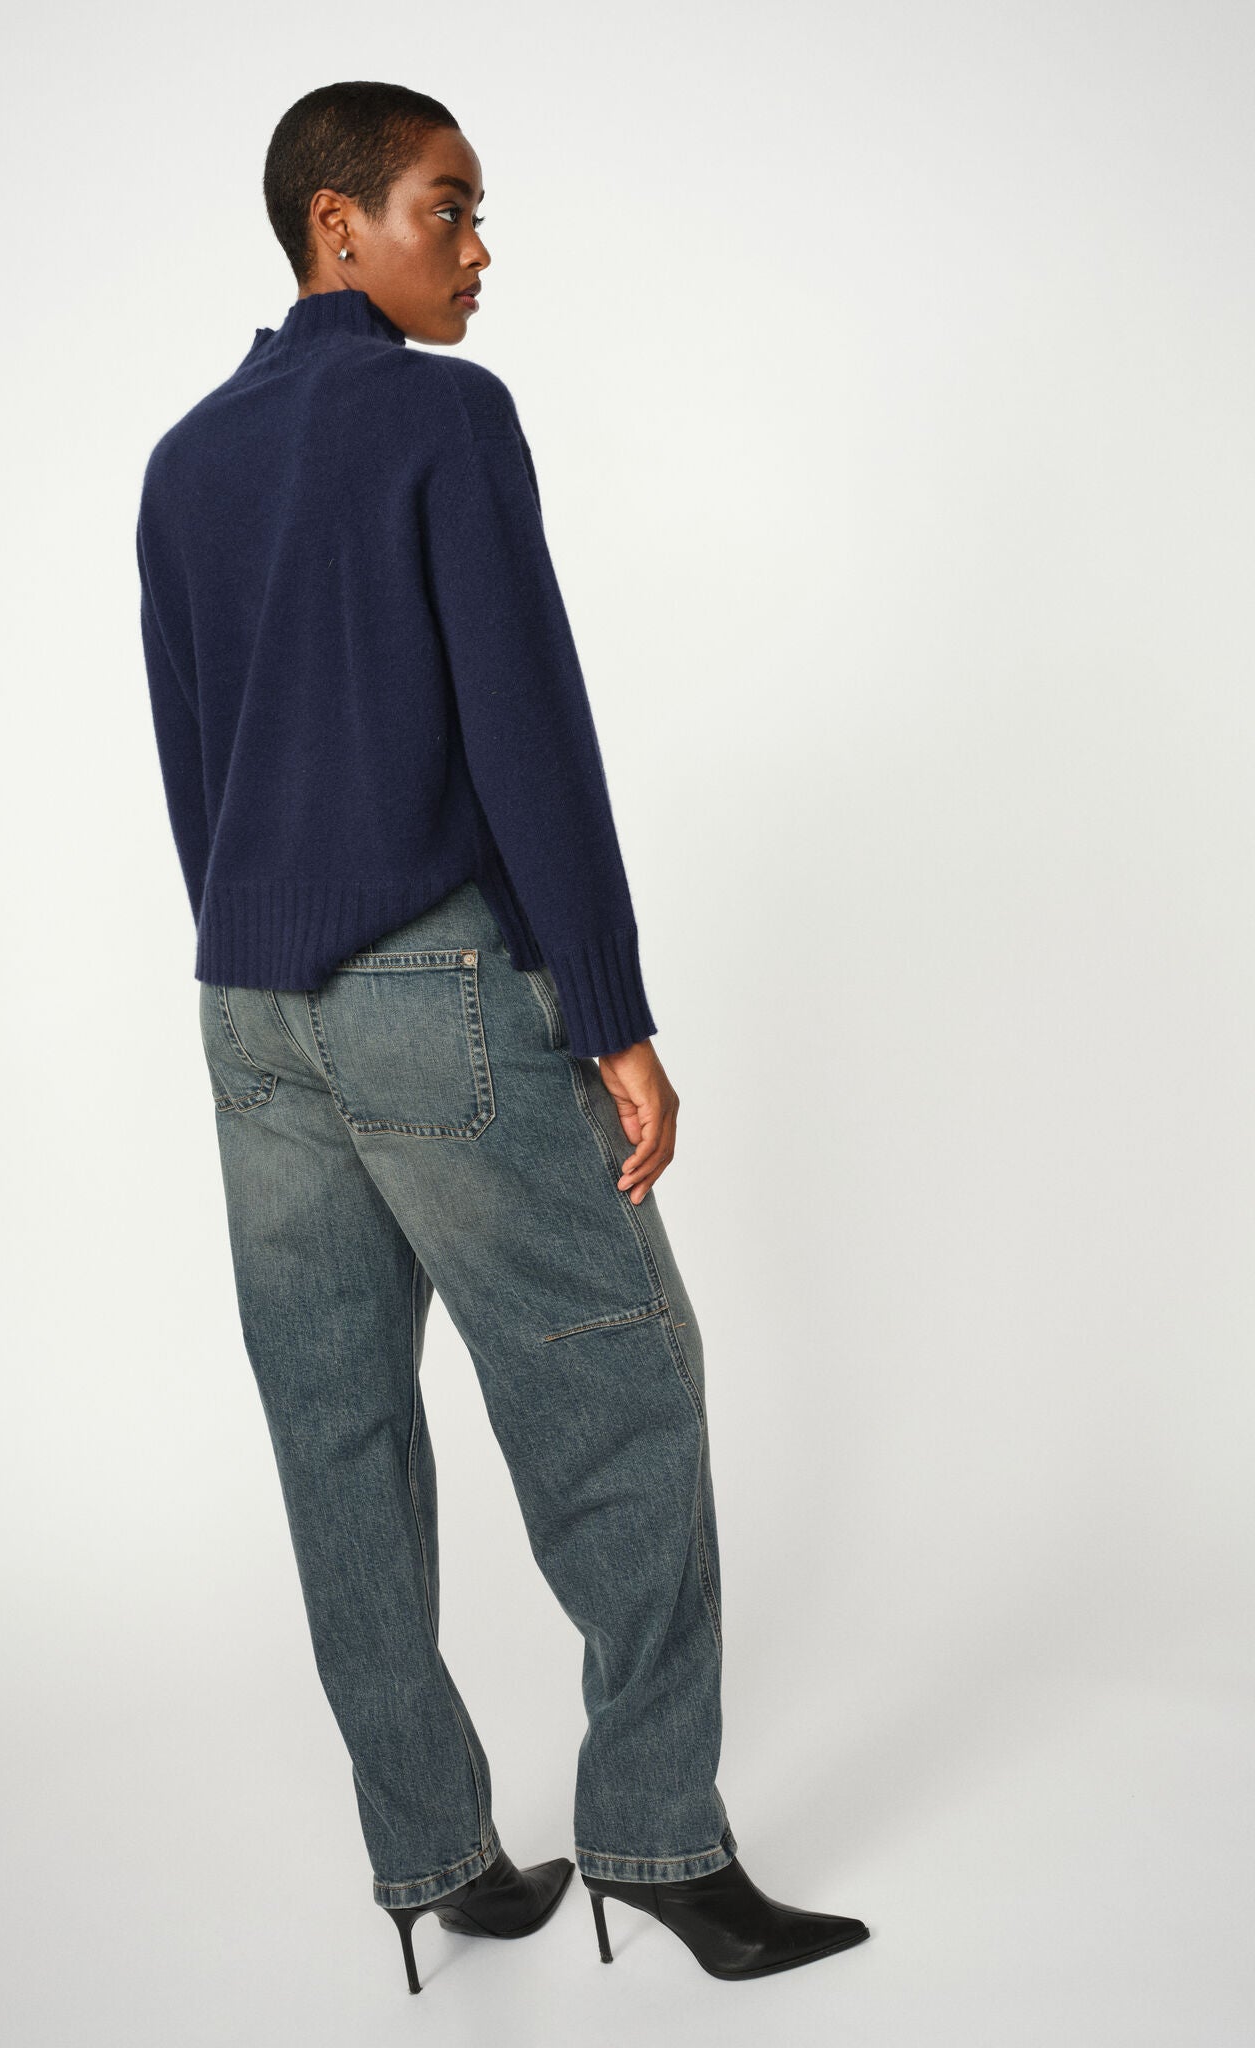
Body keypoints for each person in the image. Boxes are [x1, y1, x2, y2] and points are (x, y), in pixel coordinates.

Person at [135, 79, 869, 1995]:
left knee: (338, 1431)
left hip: (250, 1008)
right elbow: (526, 727)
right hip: (430, 991)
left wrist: (262, 956)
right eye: (446, 209)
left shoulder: (186, 462)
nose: (478, 249)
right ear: (336, 226)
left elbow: (196, 766)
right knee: (620, 1391)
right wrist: (608, 1013)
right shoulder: (445, 419)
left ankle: (431, 1857)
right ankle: (662, 1842)